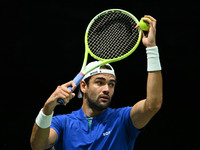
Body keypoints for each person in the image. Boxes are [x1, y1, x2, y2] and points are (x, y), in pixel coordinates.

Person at [30, 15, 163, 150]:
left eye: (111, 84)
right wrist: (47, 108)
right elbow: (37, 146)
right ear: (83, 86)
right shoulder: (63, 123)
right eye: (100, 82)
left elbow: (153, 104)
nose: (107, 89)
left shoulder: (123, 120)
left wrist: (151, 48)